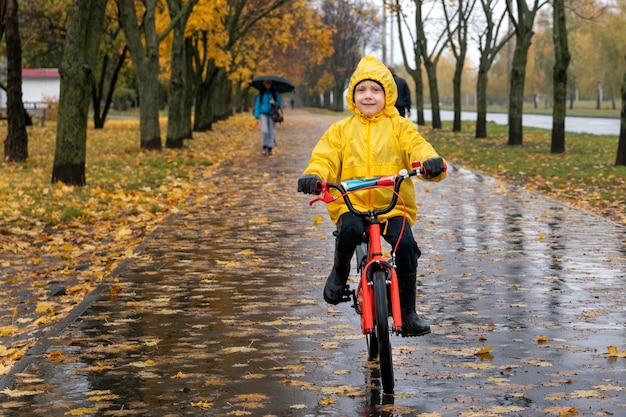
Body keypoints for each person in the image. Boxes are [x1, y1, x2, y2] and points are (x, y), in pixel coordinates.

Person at [297, 56, 446, 336]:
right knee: (350, 230)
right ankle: (340, 273)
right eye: (362, 90)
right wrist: (315, 176)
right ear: (352, 95)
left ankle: (408, 310)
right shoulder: (341, 130)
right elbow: (324, 158)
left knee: (406, 247)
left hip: (391, 205)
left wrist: (429, 162)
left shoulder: (399, 126)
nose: (368, 96)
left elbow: (418, 147)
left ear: (388, 95)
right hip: (351, 204)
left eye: (375, 90)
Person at [253, 80, 282, 156]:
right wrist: (256, 117)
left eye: (269, 83)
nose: (268, 85)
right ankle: (264, 145)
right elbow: (257, 105)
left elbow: (279, 104)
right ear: (264, 84)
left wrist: (274, 102)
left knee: (271, 131)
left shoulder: (275, 93)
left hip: (272, 114)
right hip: (263, 114)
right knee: (265, 130)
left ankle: (270, 147)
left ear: (271, 84)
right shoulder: (261, 94)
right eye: (266, 83)